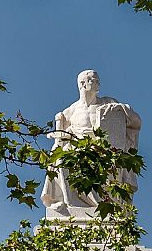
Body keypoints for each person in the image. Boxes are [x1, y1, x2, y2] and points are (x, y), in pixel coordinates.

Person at [41, 69, 142, 218]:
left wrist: (123, 109)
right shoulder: (71, 110)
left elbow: (136, 122)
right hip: (77, 148)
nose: (98, 83)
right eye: (94, 80)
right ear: (83, 84)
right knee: (61, 160)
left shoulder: (108, 103)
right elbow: (61, 135)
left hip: (103, 150)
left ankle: (105, 202)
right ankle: (70, 204)